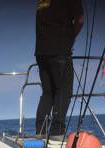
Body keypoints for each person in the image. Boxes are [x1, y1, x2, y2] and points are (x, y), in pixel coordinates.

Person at [35, 0, 84, 137]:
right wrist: (70, 38)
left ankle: (40, 132)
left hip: (41, 52)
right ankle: (57, 132)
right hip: (59, 51)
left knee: (48, 92)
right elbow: (80, 19)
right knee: (64, 90)